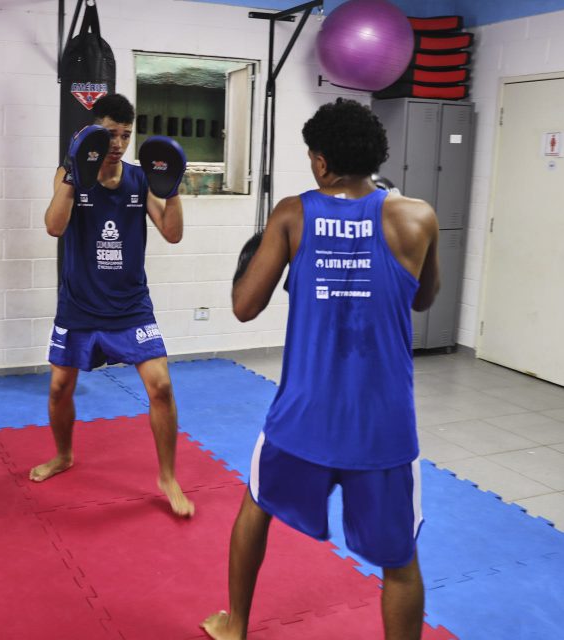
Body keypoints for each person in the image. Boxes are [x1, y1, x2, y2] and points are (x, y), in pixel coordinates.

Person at [201, 98, 440, 639]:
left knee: (256, 507)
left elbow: (245, 307)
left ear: (322, 162)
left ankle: (235, 625)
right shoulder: (417, 217)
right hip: (382, 425)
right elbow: (425, 299)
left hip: (303, 415)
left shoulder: (293, 213)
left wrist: (254, 260)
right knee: (400, 562)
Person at [30, 93, 195, 518]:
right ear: (91, 134)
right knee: (59, 387)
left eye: (125, 135)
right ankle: (64, 455)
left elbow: (172, 235)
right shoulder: (70, 175)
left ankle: (168, 477)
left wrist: (172, 191)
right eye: (109, 134)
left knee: (160, 386)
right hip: (79, 305)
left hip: (130, 306)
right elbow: (54, 226)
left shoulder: (141, 181)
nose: (118, 143)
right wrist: (71, 175)